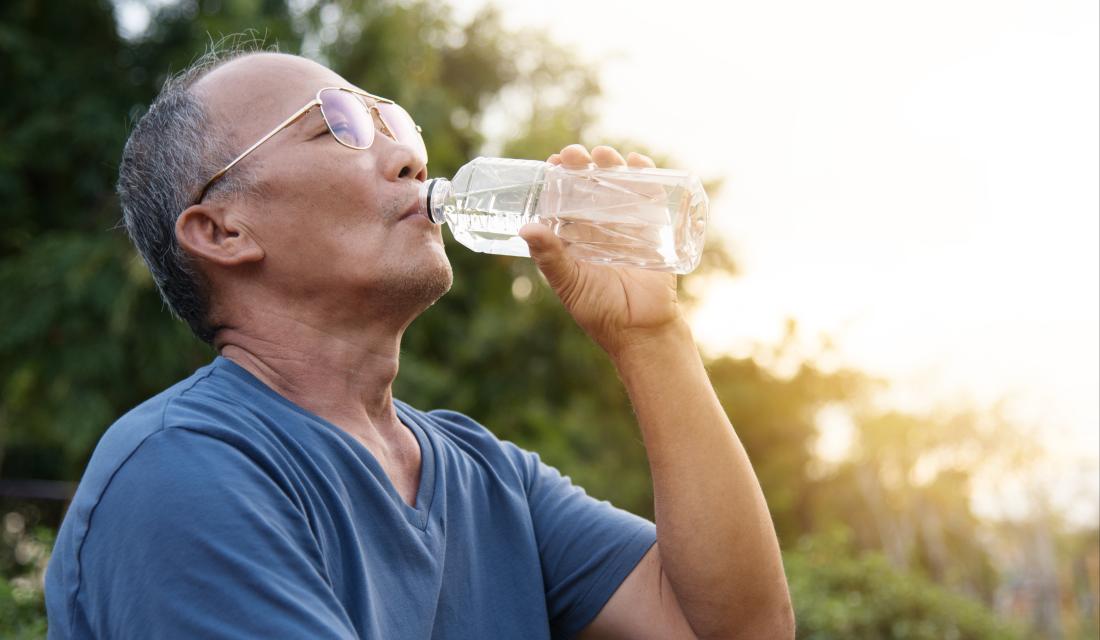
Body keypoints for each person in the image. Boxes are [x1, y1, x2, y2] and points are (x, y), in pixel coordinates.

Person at [44, 48, 793, 640]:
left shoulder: (491, 478)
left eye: (398, 126)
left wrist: (651, 339)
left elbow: (738, 630)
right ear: (223, 231)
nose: (411, 160)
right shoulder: (182, 471)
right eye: (338, 124)